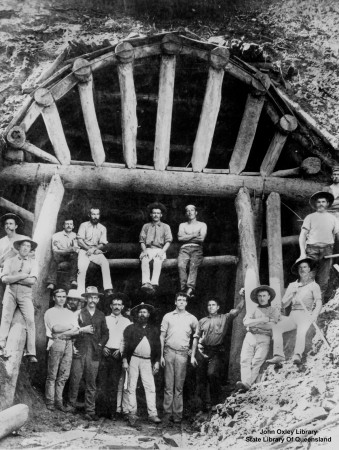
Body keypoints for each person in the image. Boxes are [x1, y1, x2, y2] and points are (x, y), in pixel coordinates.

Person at [191, 292, 244, 411]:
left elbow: (238, 310)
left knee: (212, 374)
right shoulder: (202, 321)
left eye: (213, 305)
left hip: (216, 351)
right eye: (209, 305)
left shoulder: (224, 317)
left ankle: (215, 403)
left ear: (218, 307)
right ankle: (202, 407)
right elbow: (196, 338)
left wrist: (243, 298)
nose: (211, 307)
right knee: (201, 379)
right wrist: (193, 356)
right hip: (202, 350)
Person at [267, 258, 322, 366]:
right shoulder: (292, 285)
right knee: (277, 327)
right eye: (300, 267)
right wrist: (291, 294)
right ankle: (278, 355)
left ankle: (297, 354)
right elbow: (284, 304)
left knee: (301, 331)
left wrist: (314, 315)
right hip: (292, 315)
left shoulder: (314, 286)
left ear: (309, 269)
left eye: (305, 267)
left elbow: (319, 302)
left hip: (305, 315)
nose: (302, 269)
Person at [44, 288, 92, 411]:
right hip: (56, 343)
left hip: (68, 343)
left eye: (63, 297)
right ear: (54, 298)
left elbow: (76, 330)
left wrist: (65, 332)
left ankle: (59, 402)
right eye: (59, 296)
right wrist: (69, 327)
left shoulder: (69, 313)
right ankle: (50, 402)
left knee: (64, 374)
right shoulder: (50, 312)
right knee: (53, 374)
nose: (61, 299)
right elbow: (55, 328)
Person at [68, 286, 109, 420]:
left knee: (91, 382)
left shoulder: (101, 315)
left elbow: (105, 333)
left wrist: (100, 345)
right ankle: (71, 406)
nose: (92, 300)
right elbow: (72, 331)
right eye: (90, 297)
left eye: (95, 297)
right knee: (75, 379)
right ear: (85, 298)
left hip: (94, 352)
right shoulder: (79, 313)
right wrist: (73, 343)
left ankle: (90, 410)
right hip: (80, 350)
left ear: (97, 299)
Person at [160, 292, 199, 424]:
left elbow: (196, 337)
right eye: (179, 300)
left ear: (187, 303)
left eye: (184, 300)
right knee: (168, 385)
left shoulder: (192, 318)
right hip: (169, 352)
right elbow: (162, 337)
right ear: (175, 302)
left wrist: (192, 355)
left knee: (179, 386)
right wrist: (161, 355)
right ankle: (167, 414)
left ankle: (177, 415)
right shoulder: (168, 316)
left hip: (182, 354)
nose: (181, 302)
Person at [122, 303, 161, 425]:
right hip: (133, 359)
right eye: (140, 312)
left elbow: (158, 347)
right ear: (137, 315)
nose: (142, 314)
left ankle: (152, 414)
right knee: (131, 386)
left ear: (149, 314)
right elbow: (126, 346)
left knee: (150, 387)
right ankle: (132, 413)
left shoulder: (154, 329)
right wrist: (124, 360)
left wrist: (157, 362)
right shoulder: (130, 328)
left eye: (145, 312)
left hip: (147, 360)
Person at [0, 238, 38, 362]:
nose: (26, 248)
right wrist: (22, 276)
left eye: (28, 246)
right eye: (23, 245)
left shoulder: (33, 263)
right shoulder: (10, 261)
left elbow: (32, 281)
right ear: (19, 247)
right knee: (6, 317)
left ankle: (31, 352)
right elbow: (4, 279)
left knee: (31, 320)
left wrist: (13, 278)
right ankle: (1, 344)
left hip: (25, 294)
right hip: (10, 292)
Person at [236, 286, 280, 392]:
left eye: (264, 295)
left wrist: (254, 323)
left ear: (269, 297)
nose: (262, 298)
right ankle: (246, 382)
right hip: (250, 335)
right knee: (245, 360)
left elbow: (272, 325)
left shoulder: (274, 310)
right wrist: (263, 319)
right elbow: (245, 322)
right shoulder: (253, 309)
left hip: (264, 337)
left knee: (257, 362)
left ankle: (247, 384)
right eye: (260, 296)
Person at [299, 191, 339, 298]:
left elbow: (338, 235)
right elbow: (302, 235)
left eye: (323, 202)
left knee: (323, 279)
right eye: (318, 202)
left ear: (327, 203)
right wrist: (302, 253)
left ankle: (317, 306)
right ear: (315, 204)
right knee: (308, 277)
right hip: (312, 250)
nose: (321, 204)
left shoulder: (333, 218)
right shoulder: (310, 217)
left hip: (327, 251)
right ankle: (306, 305)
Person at [98, 293, 130, 420]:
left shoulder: (127, 321)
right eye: (114, 304)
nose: (116, 307)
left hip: (117, 354)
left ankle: (112, 412)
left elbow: (127, 339)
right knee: (102, 382)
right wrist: (103, 348)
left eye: (119, 304)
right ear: (111, 306)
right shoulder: (105, 319)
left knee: (114, 383)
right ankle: (100, 411)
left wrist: (120, 351)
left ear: (122, 307)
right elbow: (100, 335)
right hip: (105, 352)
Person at [76, 208, 113, 296]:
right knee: (81, 269)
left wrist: (93, 249)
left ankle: (108, 288)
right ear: (89, 215)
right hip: (84, 251)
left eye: (97, 214)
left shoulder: (102, 228)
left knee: (105, 263)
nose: (95, 217)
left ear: (99, 215)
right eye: (93, 214)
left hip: (95, 251)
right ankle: (80, 292)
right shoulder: (83, 225)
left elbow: (103, 243)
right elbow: (79, 241)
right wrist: (88, 249)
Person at [139, 202, 172, 293]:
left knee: (158, 260)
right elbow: (142, 241)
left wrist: (162, 252)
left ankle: (154, 284)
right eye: (154, 213)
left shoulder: (166, 227)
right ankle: (146, 283)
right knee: (144, 259)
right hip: (148, 249)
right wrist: (144, 251)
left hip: (160, 249)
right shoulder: (146, 226)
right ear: (151, 214)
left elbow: (168, 241)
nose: (156, 215)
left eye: (158, 213)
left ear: (161, 215)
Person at [177, 205, 207, 297]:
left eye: (192, 210)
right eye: (187, 211)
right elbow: (179, 238)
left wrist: (186, 237)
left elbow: (201, 239)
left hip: (196, 248)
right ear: (186, 213)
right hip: (184, 249)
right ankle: (183, 288)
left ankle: (190, 288)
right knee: (181, 265)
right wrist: (194, 235)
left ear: (196, 212)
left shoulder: (202, 224)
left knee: (193, 265)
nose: (190, 212)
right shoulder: (182, 225)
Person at [46, 218, 79, 291]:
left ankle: (73, 280)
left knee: (75, 255)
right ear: (63, 226)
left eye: (71, 224)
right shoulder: (57, 235)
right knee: (54, 257)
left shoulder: (76, 236)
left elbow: (76, 250)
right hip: (60, 256)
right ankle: (51, 282)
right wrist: (68, 250)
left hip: (71, 257)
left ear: (73, 226)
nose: (69, 226)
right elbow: (55, 251)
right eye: (67, 224)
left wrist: (64, 249)